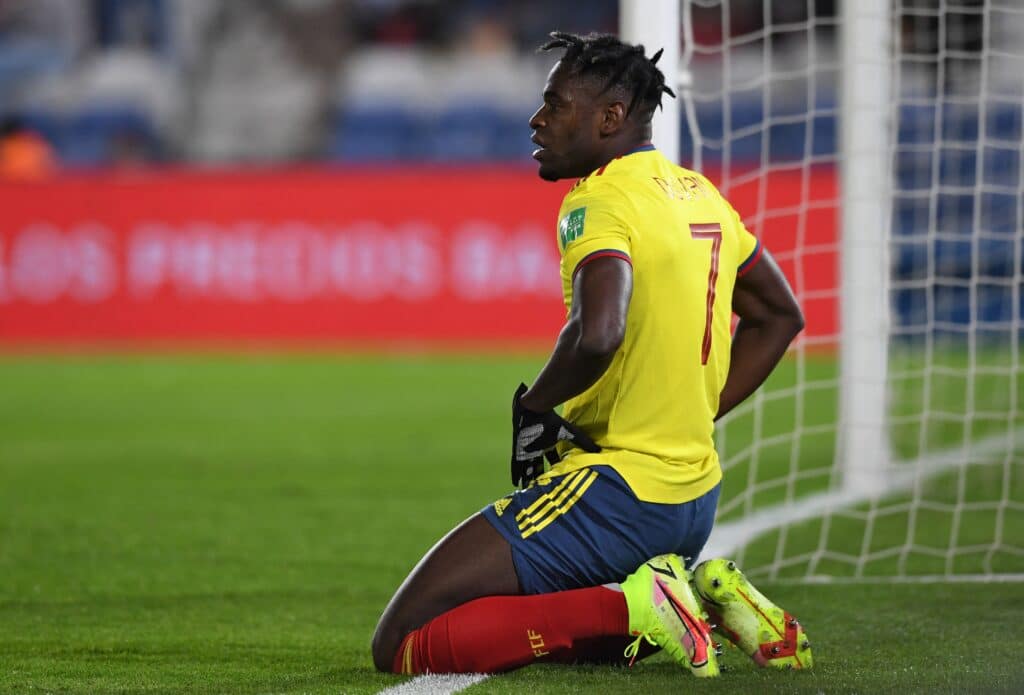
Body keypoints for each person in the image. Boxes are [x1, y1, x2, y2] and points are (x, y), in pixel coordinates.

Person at [371, 31, 810, 677]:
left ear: (610, 118)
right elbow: (780, 315)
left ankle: (637, 606)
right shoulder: (699, 193)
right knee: (551, 613)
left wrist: (535, 407)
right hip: (693, 501)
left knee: (404, 640)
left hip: (617, 494)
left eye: (556, 104)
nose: (537, 119)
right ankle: (701, 597)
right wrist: (691, 408)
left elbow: (597, 330)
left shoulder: (600, 198)